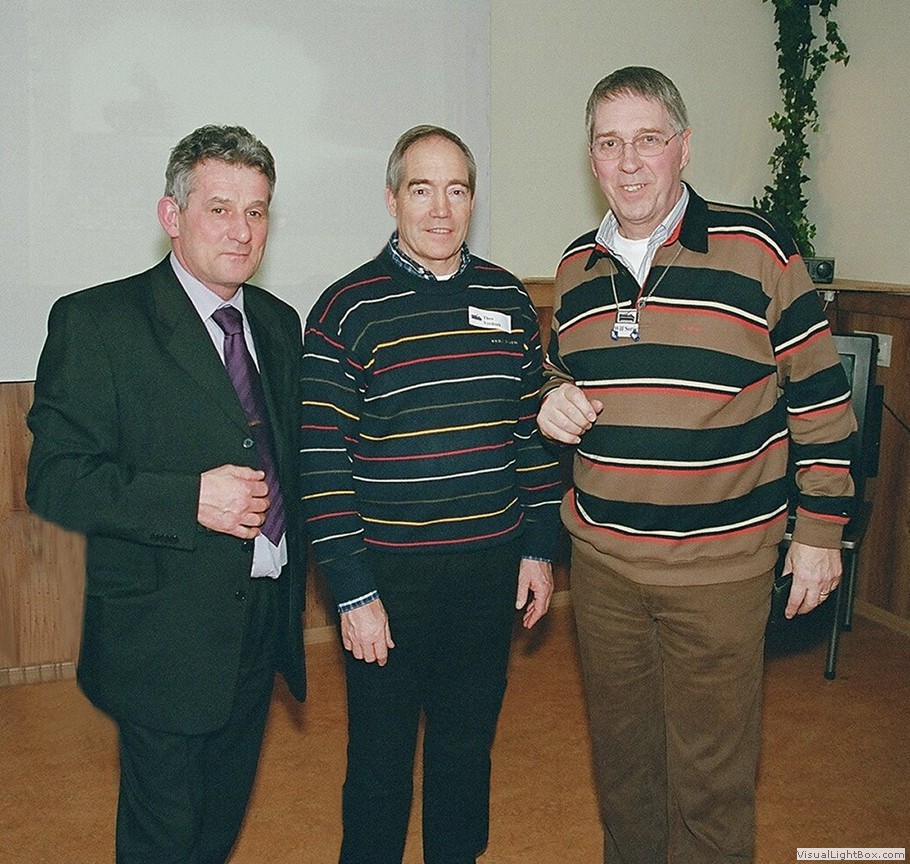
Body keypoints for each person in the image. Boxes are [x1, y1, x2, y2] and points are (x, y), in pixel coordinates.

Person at [537, 67, 856, 863]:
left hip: (720, 574)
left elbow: (822, 399)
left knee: (711, 786)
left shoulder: (759, 249)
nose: (629, 162)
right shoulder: (575, 268)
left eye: (648, 139)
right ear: (590, 157)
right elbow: (554, 375)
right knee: (625, 775)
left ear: (684, 147)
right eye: (609, 143)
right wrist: (546, 399)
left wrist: (821, 531)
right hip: (604, 573)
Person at [26, 125, 306, 864]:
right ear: (171, 216)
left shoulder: (278, 324)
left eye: (256, 211)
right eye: (220, 209)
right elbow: (54, 479)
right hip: (161, 641)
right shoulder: (97, 322)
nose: (242, 230)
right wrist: (188, 499)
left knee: (215, 832)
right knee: (164, 841)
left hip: (259, 624)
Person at [300, 125, 562, 864]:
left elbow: (531, 433)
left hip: (488, 574)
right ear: (392, 200)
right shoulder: (344, 311)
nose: (441, 209)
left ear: (473, 200)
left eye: (457, 190)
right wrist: (352, 591)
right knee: (379, 766)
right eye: (422, 189)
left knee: (465, 754)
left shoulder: (509, 298)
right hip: (388, 583)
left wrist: (540, 547)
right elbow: (321, 464)